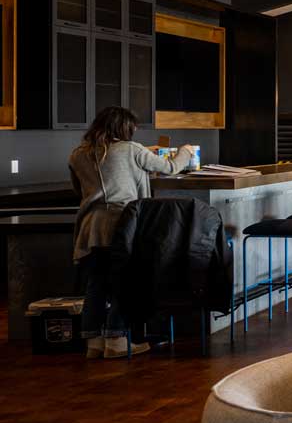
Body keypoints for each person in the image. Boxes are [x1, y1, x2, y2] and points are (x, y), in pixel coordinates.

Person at [68, 106, 196, 359]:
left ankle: (93, 342)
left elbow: (77, 190)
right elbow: (171, 167)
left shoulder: (78, 154)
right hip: (121, 224)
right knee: (123, 281)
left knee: (96, 284)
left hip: (90, 226)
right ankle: (116, 340)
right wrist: (186, 151)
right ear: (124, 128)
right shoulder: (131, 150)